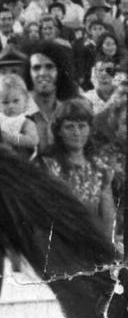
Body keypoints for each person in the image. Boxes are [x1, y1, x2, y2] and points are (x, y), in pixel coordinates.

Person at [39, 99, 116, 238]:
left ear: (89, 129)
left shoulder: (100, 167)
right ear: (59, 131)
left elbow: (108, 216)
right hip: (58, 243)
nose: (77, 133)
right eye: (69, 127)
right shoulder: (46, 164)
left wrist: (107, 246)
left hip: (94, 242)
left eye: (82, 126)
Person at [0, 72, 40, 157]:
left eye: (16, 101)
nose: (11, 106)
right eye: (5, 102)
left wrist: (14, 139)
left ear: (25, 101)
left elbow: (33, 140)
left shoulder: (26, 122)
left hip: (20, 157)